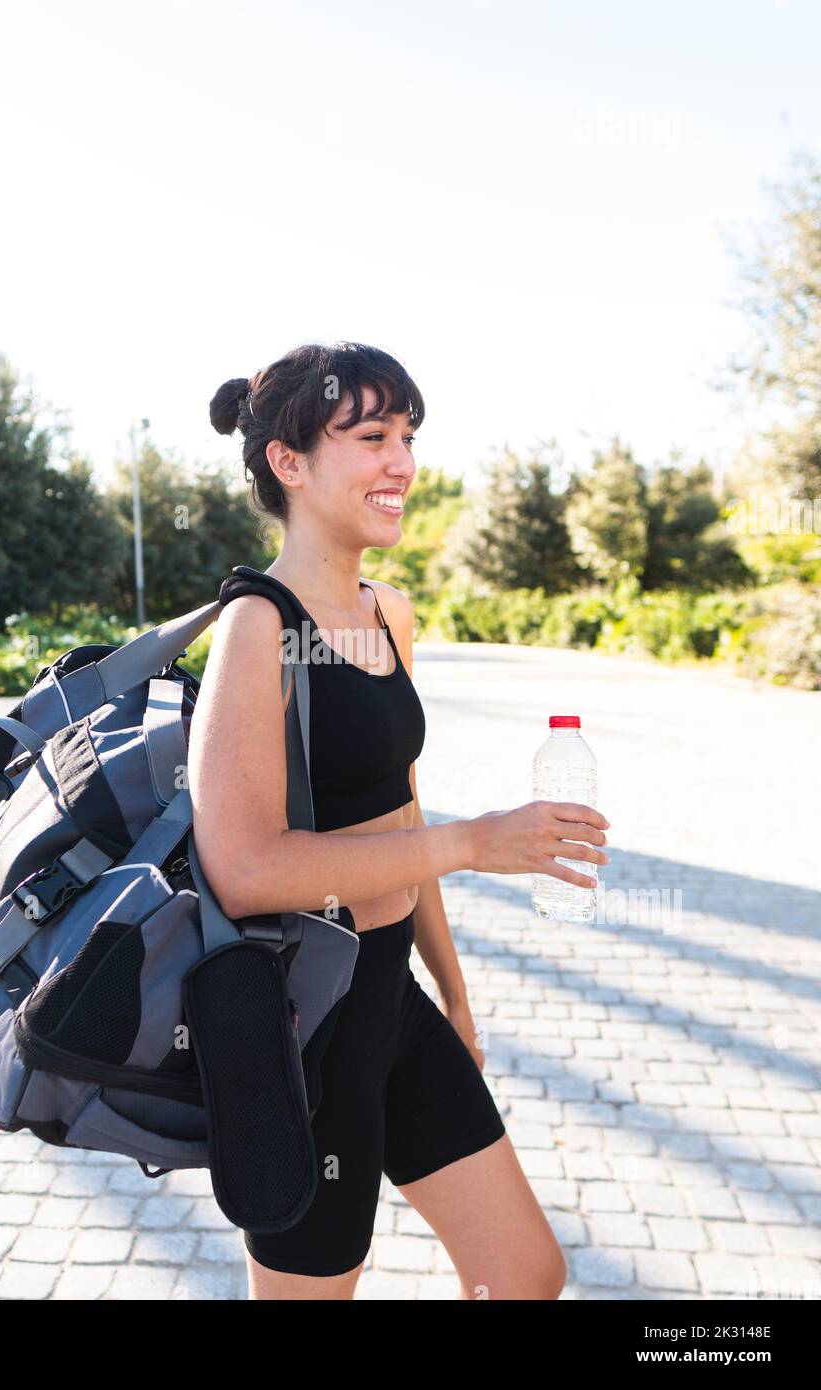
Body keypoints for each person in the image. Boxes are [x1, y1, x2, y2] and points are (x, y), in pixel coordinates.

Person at [189, 342, 610, 1301]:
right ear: (287, 463)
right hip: (300, 1034)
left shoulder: (391, 615)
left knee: (525, 1274)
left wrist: (452, 992)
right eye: (372, 436)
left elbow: (399, 806)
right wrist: (474, 844)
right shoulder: (256, 626)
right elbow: (245, 867)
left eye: (409, 437)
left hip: (391, 1000)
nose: (402, 465)